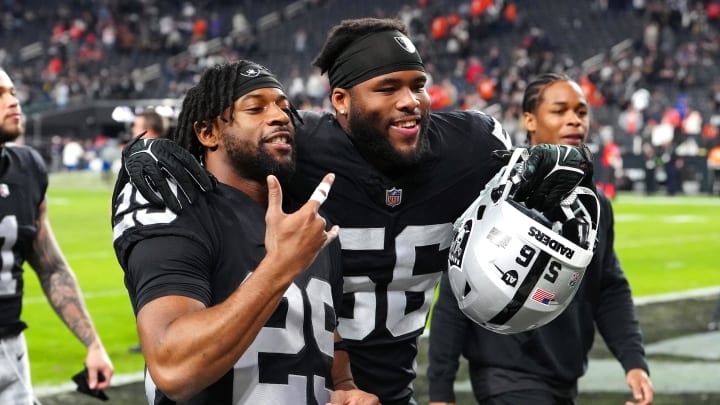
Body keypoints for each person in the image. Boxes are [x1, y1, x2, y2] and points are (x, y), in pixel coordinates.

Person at [119, 19, 594, 405]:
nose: (410, 102)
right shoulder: (296, 156)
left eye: (418, 85)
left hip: (369, 388)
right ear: (340, 102)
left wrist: (566, 164)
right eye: (388, 87)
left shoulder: (470, 149)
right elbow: (224, 145)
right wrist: (150, 150)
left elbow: (541, 169)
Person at [111, 60, 379, 404]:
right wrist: (280, 265)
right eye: (255, 108)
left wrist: (345, 390)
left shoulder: (309, 221)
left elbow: (323, 336)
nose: (280, 116)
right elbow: (173, 366)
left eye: (284, 107)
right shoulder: (179, 208)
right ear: (207, 132)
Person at [426, 72, 654, 405]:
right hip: (507, 376)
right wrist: (440, 390)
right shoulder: (500, 193)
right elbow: (456, 292)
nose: (574, 120)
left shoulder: (594, 203)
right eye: (559, 111)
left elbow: (609, 287)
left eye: (581, 111)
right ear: (529, 120)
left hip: (564, 375)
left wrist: (634, 362)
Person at [0, 67, 114, 403]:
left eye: (12, 92)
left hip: (11, 353)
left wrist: (92, 343)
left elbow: (51, 267)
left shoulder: (27, 168)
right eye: (0, 95)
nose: (13, 101)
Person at [126, 109, 168, 354]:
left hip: (155, 239)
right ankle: (151, 338)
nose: (133, 131)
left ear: (148, 130)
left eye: (136, 126)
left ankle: (156, 339)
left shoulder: (152, 158)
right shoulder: (164, 154)